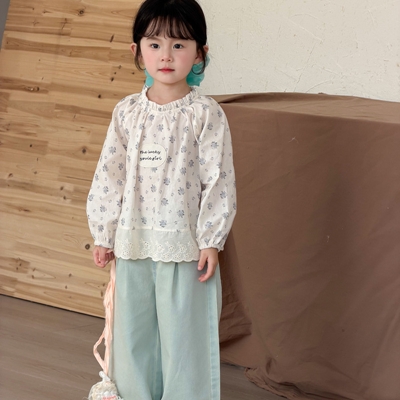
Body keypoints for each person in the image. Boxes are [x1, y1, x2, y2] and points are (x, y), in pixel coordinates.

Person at [86, 0, 236, 399]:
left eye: (179, 44)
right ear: (137, 51)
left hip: (185, 248)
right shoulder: (126, 113)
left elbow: (218, 180)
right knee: (131, 337)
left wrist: (210, 239)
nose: (166, 55)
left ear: (200, 53)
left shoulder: (206, 114)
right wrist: (104, 232)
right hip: (132, 242)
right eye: (154, 44)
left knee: (184, 340)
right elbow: (110, 174)